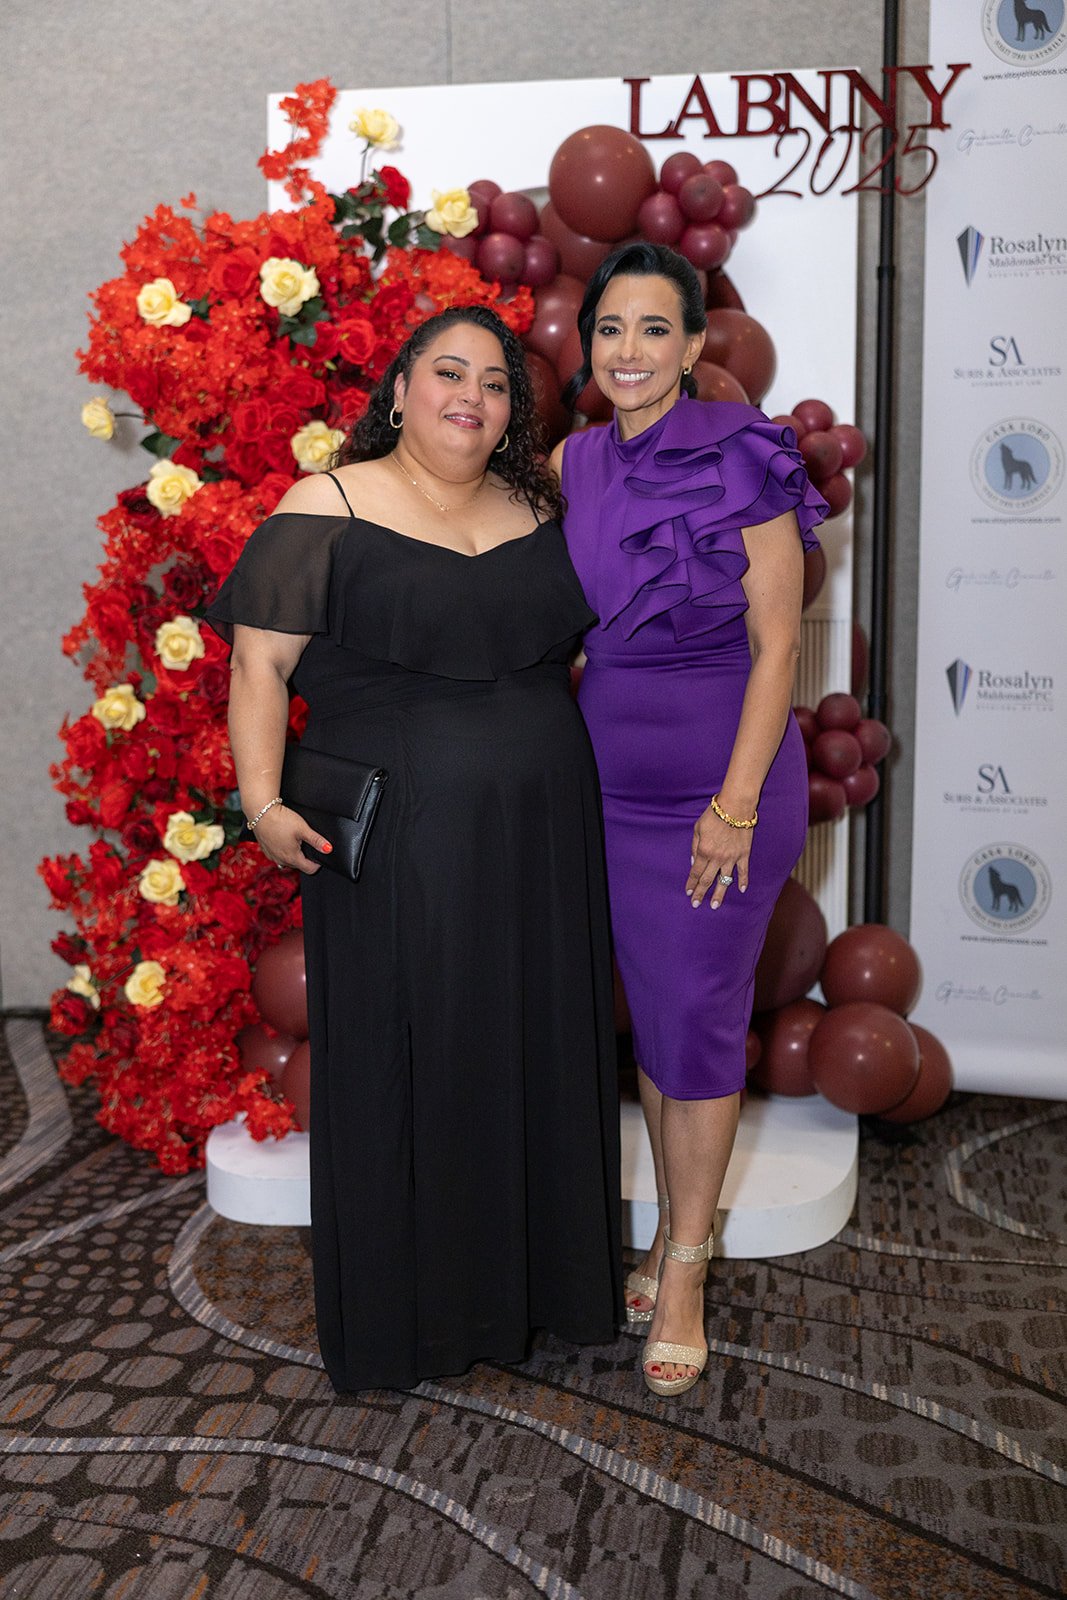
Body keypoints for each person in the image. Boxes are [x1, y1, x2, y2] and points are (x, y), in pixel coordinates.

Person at [207, 306, 621, 1393]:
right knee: (413, 1056)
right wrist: (259, 802)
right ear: (398, 389)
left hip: (537, 836)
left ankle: (540, 1292)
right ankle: (412, 1318)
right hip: (398, 840)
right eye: (448, 373)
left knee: (530, 1044)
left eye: (494, 383)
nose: (470, 396)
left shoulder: (538, 507)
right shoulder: (326, 506)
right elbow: (259, 669)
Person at [550, 243, 827, 1398]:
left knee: (700, 1020)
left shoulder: (743, 452)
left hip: (727, 783)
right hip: (606, 785)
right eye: (608, 329)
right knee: (659, 1017)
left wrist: (731, 802)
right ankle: (672, 1225)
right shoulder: (570, 461)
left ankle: (686, 1271)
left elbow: (779, 645)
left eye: (653, 330)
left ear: (696, 342)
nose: (628, 352)